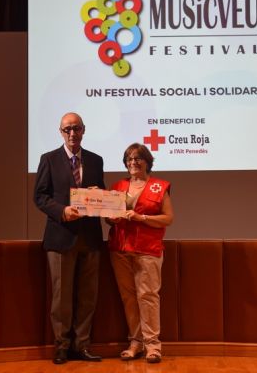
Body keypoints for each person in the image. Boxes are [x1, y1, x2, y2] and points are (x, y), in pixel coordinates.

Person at [34, 112, 105, 364]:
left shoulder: (96, 160)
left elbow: (100, 195)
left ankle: (82, 345)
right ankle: (62, 346)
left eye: (76, 128)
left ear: (84, 130)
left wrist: (99, 195)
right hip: (61, 237)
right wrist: (62, 211)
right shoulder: (49, 159)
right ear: (61, 132)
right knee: (61, 297)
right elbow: (40, 197)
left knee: (88, 296)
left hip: (91, 237)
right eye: (67, 129)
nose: (72, 133)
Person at [106, 143, 174, 364]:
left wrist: (141, 218)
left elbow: (168, 218)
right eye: (129, 159)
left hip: (148, 250)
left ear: (147, 161)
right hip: (120, 249)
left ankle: (152, 345)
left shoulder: (159, 186)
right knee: (128, 298)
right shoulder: (118, 186)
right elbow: (108, 218)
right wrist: (111, 218)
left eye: (137, 158)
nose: (133, 162)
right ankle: (135, 343)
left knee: (148, 297)